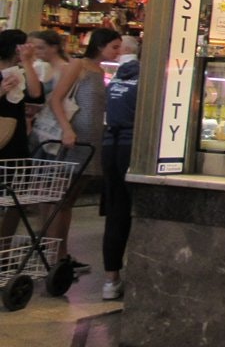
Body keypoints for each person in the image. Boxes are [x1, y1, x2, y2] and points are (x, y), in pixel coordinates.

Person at [40, 27, 123, 274]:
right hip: (74, 140)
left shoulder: (101, 71)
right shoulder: (79, 66)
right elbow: (56, 99)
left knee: (68, 200)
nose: (119, 52)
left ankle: (61, 255)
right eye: (114, 47)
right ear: (100, 46)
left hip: (90, 141)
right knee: (61, 199)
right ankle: (56, 256)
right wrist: (66, 130)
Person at [101, 53, 140, 300]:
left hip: (110, 146)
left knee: (116, 212)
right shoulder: (154, 79)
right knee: (141, 213)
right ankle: (142, 278)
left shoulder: (117, 77)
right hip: (134, 148)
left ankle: (110, 279)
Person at [0, 30, 44, 238]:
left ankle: (4, 248)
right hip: (3, 142)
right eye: (24, 46)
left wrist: (27, 63)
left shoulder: (22, 73)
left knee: (16, 199)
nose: (28, 50)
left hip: (17, 143)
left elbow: (36, 94)